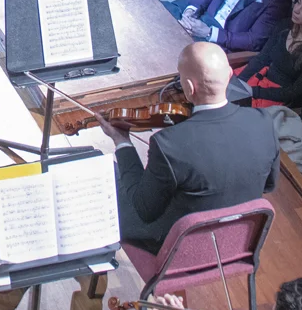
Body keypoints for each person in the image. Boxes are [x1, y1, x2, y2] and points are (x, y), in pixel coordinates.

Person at [109, 42, 279, 249]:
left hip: (179, 246)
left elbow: (144, 210)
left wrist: (122, 142)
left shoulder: (169, 144)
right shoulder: (263, 120)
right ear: (229, 75)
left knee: (107, 176)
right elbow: (268, 185)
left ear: (189, 88)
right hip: (236, 241)